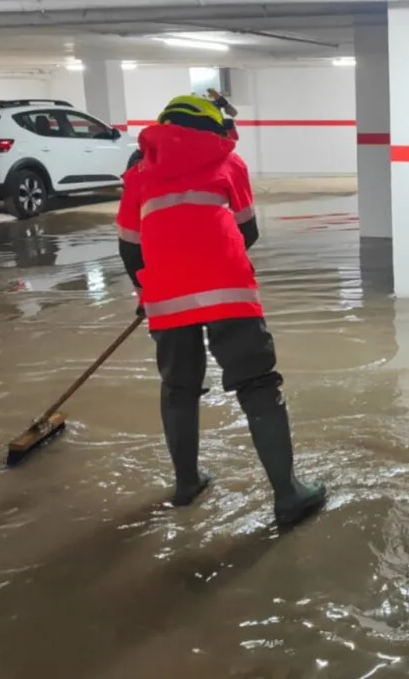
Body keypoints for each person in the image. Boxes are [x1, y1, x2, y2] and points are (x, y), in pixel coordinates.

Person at [116, 94, 327, 527]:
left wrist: (147, 290)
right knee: (257, 383)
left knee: (178, 387)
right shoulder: (230, 162)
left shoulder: (138, 173)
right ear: (213, 126)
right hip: (228, 289)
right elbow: (248, 230)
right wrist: (208, 262)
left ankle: (186, 484)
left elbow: (129, 247)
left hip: (166, 293)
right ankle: (288, 495)